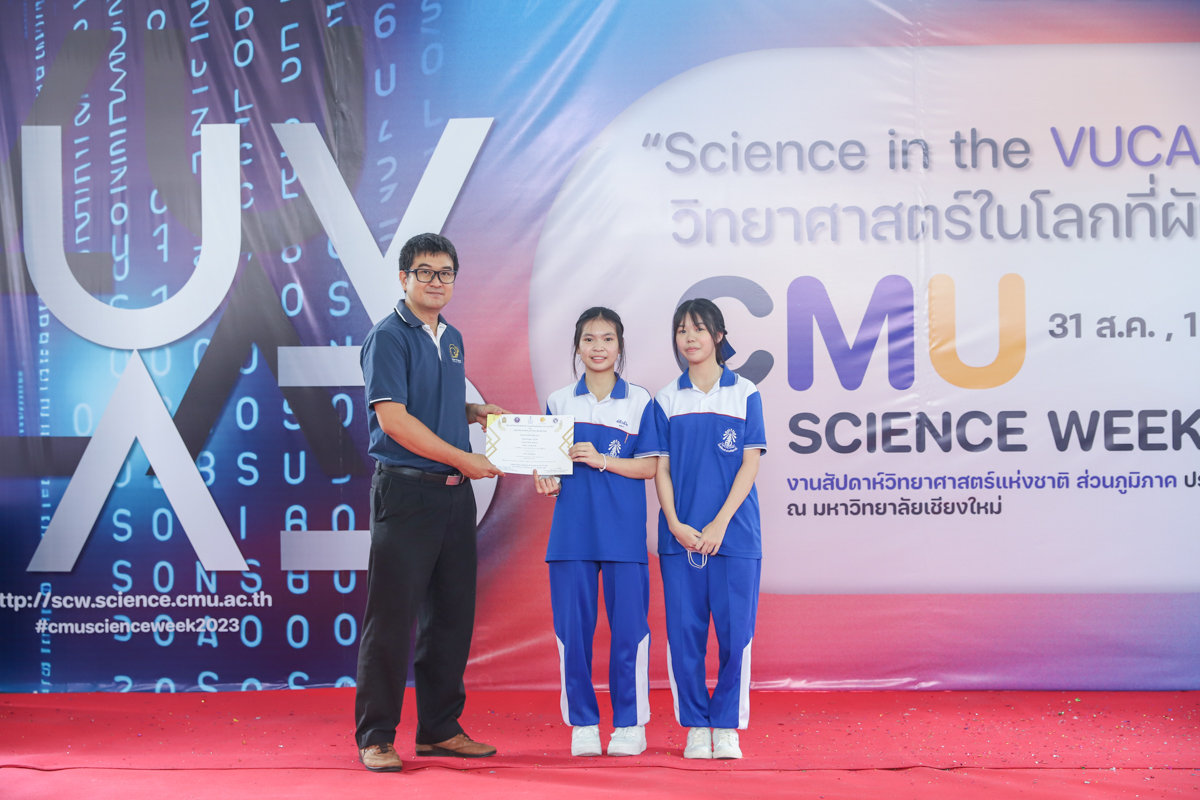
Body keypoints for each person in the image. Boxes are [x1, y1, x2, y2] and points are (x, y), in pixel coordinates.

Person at [354, 232, 507, 773]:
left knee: (450, 617)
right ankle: (376, 735)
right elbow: (394, 420)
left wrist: (473, 412)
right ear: (404, 277)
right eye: (425, 272)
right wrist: (464, 458)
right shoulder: (388, 336)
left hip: (453, 497)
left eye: (445, 273)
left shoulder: (452, 336)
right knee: (392, 619)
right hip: (406, 493)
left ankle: (440, 729)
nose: (436, 281)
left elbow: (430, 402)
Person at [533, 308, 660, 757]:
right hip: (571, 536)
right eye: (589, 339)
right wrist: (544, 477)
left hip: (624, 536)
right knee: (573, 635)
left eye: (607, 339)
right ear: (577, 346)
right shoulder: (558, 401)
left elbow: (651, 466)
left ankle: (630, 723)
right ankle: (583, 723)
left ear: (620, 346)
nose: (598, 347)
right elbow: (546, 467)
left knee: (630, 633)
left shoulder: (641, 401)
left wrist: (602, 460)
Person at [652, 298, 765, 760]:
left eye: (699, 328)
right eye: (682, 330)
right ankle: (697, 726)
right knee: (685, 636)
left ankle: (727, 726)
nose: (690, 337)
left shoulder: (746, 392)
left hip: (735, 537)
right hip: (680, 539)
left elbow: (750, 464)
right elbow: (660, 469)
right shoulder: (666, 398)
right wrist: (675, 523)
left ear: (718, 336)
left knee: (736, 636)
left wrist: (719, 523)